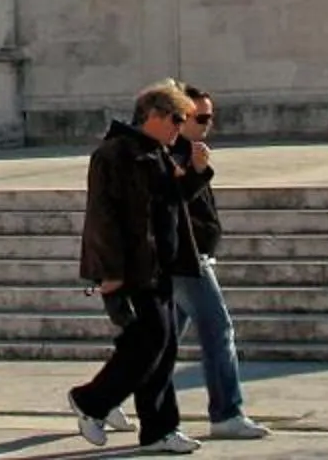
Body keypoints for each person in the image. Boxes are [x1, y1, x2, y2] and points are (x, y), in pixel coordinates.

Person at [73, 81, 202, 453]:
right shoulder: (114, 154)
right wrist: (110, 274)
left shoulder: (156, 152)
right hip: (131, 269)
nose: (180, 127)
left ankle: (159, 428)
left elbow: (172, 202)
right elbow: (102, 217)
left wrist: (196, 174)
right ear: (154, 115)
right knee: (150, 342)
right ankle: (91, 401)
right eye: (176, 118)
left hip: (159, 266)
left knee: (162, 346)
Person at [168, 88, 268, 441]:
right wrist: (196, 171)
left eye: (210, 117)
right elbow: (173, 206)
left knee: (160, 341)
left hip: (193, 255)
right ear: (181, 117)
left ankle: (100, 401)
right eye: (202, 117)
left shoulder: (189, 153)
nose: (209, 124)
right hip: (185, 259)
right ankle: (226, 413)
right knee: (219, 329)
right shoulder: (172, 155)